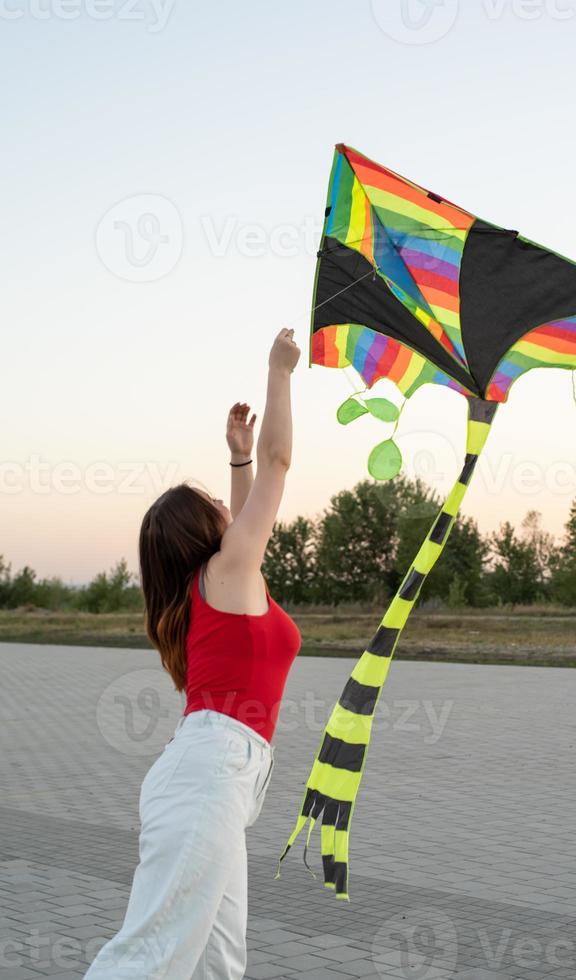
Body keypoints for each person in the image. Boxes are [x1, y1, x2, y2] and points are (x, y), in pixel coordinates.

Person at [84, 328, 302, 979]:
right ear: (199, 533)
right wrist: (279, 371)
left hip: (217, 781)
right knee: (151, 956)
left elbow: (250, 501)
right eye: (211, 501)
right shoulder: (225, 575)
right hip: (208, 778)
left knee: (216, 963)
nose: (221, 504)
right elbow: (280, 465)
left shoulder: (216, 589)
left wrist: (235, 458)